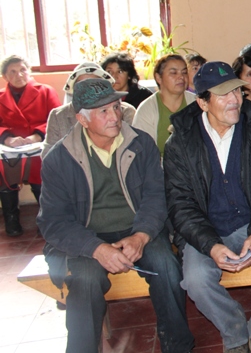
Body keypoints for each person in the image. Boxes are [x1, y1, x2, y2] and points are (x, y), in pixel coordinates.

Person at [37, 79, 194, 353]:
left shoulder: (140, 144)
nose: (115, 116)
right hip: (87, 236)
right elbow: (54, 222)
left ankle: (177, 345)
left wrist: (141, 236)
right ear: (82, 119)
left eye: (116, 107)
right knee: (85, 280)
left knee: (166, 266)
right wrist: (96, 248)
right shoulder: (60, 159)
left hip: (138, 227)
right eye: (104, 111)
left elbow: (156, 196)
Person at [164, 61, 251, 353]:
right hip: (206, 230)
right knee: (196, 279)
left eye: (237, 91)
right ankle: (236, 332)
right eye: (223, 94)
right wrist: (211, 246)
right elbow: (180, 204)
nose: (234, 100)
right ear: (203, 102)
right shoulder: (180, 142)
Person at [0, 55, 60, 231]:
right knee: (3, 169)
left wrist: (36, 136)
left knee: (40, 166)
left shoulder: (46, 91)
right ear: (5, 76)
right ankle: (11, 218)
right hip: (9, 149)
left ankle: (46, 218)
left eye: (22, 70)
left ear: (29, 71)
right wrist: (8, 139)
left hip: (39, 145)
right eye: (13, 72)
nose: (19, 75)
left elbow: (56, 119)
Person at [43, 62, 136, 158]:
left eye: (94, 85)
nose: (88, 92)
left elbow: (132, 151)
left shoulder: (125, 112)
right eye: (82, 86)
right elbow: (48, 155)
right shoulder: (58, 116)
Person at [132, 54, 195, 155]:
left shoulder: (197, 103)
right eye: (173, 73)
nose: (181, 77)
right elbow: (143, 151)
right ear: (158, 78)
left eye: (184, 72)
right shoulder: (146, 109)